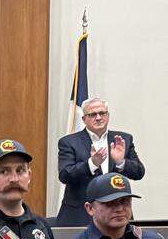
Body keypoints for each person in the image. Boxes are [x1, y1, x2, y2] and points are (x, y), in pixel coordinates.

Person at [55, 97, 144, 227]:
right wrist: (91, 164)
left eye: (102, 113)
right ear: (84, 119)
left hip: (116, 213)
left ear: (107, 116)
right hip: (80, 214)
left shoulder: (123, 139)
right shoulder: (69, 142)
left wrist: (121, 162)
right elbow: (65, 175)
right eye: (92, 114)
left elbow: (139, 172)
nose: (98, 117)